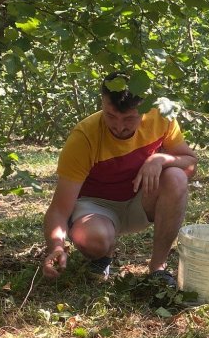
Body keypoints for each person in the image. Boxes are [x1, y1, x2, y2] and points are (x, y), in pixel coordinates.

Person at [41, 72, 198, 284]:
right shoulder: (84, 137)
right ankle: (102, 256)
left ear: (144, 109)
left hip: (140, 199)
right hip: (96, 206)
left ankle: (158, 268)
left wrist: (161, 159)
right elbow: (59, 209)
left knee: (177, 176)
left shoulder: (161, 118)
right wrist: (56, 247)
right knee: (94, 239)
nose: (119, 126)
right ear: (102, 104)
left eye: (129, 119)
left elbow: (190, 163)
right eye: (110, 116)